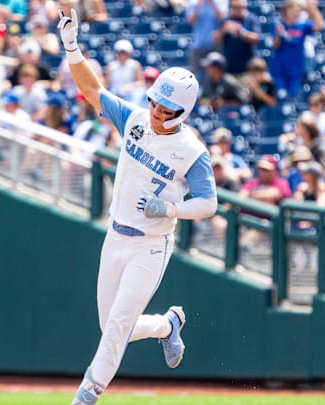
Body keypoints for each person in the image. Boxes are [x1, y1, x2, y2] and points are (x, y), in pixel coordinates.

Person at [57, 9, 217, 405]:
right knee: (113, 327)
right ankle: (167, 325)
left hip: (150, 245)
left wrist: (172, 208)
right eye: (156, 105)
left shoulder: (191, 150)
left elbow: (209, 202)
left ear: (185, 111)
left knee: (116, 328)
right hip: (115, 236)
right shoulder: (136, 120)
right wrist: (72, 47)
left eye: (168, 110)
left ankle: (87, 394)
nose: (159, 114)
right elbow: (93, 91)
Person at [269, 0, 323, 98]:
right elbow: (274, 46)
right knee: (279, 96)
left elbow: (318, 26)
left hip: (295, 68)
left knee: (293, 97)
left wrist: (313, 8)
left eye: (298, 10)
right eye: (293, 10)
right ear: (286, 10)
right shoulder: (278, 24)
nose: (296, 13)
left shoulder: (302, 25)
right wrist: (278, 34)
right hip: (279, 68)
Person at [212, 0, 260, 77]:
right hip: (229, 69)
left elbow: (256, 38)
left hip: (247, 68)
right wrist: (224, 29)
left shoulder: (251, 19)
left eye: (240, 7)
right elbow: (215, 39)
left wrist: (241, 32)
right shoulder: (225, 20)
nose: (238, 9)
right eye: (235, 7)